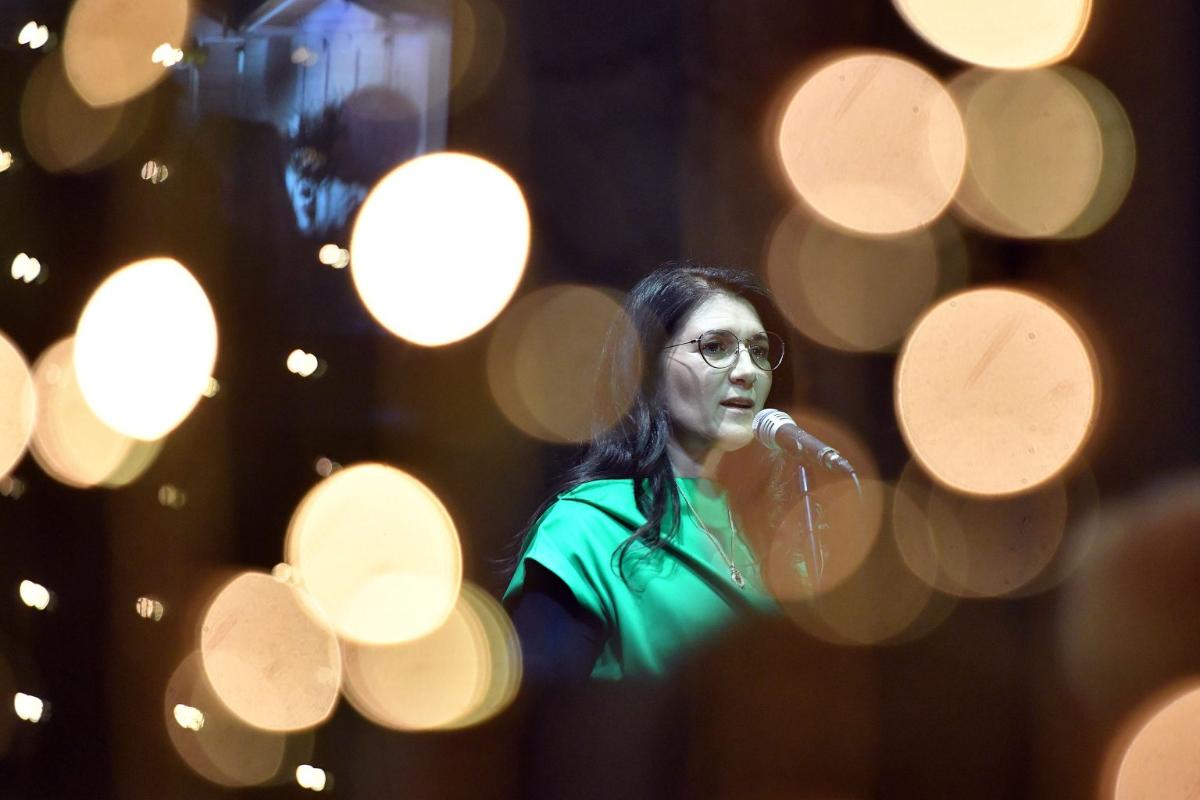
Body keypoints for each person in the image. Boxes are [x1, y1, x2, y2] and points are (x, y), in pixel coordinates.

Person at [502, 260, 796, 681]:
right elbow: (537, 710)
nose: (748, 371)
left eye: (760, 351)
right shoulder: (587, 528)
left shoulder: (784, 525)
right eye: (716, 347)